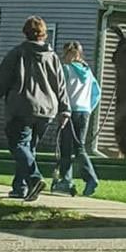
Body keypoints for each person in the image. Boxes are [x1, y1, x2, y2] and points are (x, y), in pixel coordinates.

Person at [0, 16, 71, 202]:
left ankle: (34, 178)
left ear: (25, 33)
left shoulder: (17, 53)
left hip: (22, 108)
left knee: (19, 145)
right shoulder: (53, 57)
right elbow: (60, 85)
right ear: (44, 34)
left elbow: (2, 79)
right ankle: (20, 188)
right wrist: (65, 109)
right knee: (29, 148)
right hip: (47, 110)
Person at [52, 41, 101, 197]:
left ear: (69, 54)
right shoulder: (88, 72)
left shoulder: (66, 70)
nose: (63, 56)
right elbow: (97, 93)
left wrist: (59, 110)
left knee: (67, 147)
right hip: (84, 112)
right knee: (78, 146)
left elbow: (60, 91)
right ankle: (80, 180)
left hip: (69, 112)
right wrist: (89, 107)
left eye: (65, 53)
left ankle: (73, 180)